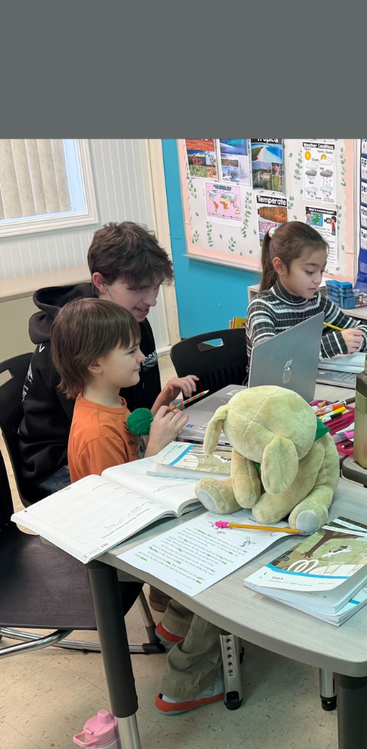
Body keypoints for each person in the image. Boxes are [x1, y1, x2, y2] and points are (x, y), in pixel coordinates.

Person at [51, 297, 226, 715]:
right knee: (220, 574)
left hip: (136, 527)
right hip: (121, 547)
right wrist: (157, 451)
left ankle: (176, 623)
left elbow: (131, 436)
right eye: (130, 351)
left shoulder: (108, 401)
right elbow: (121, 505)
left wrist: (163, 397)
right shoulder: (95, 431)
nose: (144, 357)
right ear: (94, 363)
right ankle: (185, 683)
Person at [19, 220, 197, 494]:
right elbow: (110, 479)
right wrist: (151, 452)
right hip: (62, 465)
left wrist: (161, 406)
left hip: (119, 445)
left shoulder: (131, 320)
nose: (152, 300)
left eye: (156, 286)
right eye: (138, 289)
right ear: (101, 282)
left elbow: (129, 420)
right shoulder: (72, 346)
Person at [246, 220, 367, 361]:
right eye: (309, 271)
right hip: (270, 383)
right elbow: (269, 359)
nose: (318, 279)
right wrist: (330, 345)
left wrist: (355, 339)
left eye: (321, 270)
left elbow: (366, 330)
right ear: (280, 266)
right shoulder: (262, 308)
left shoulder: (317, 302)